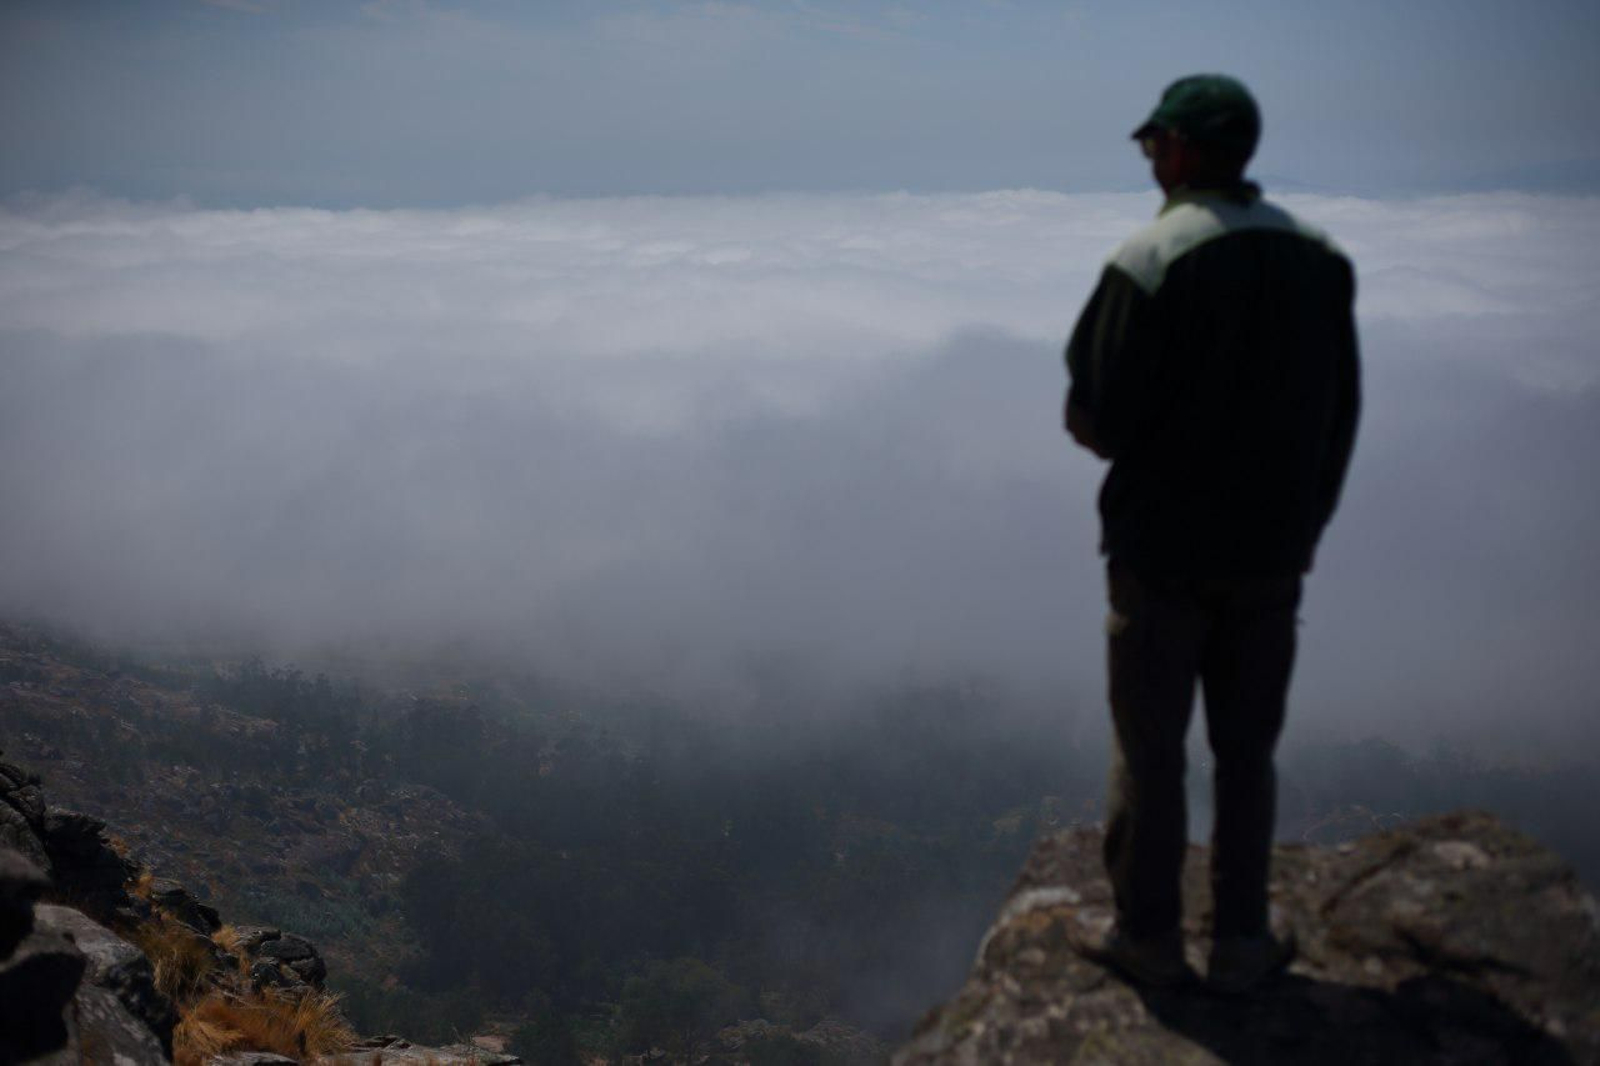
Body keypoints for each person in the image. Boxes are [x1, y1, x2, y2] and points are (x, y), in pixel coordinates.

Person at [1062, 74, 1360, 993]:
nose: (1150, 158)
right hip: (1272, 553)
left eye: (1155, 143)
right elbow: (1339, 416)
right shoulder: (1319, 259)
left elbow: (1097, 416)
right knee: (1246, 752)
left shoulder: (1150, 260)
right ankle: (1241, 941)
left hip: (1161, 553)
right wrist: (1305, 525)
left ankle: (1149, 936)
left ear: (1185, 150)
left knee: (1151, 750)